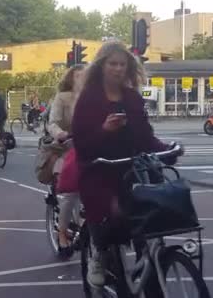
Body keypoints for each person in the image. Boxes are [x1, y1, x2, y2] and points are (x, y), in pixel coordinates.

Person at [72, 41, 179, 287]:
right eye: (112, 64)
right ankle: (98, 252)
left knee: (150, 214)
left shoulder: (132, 97)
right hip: (99, 168)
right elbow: (82, 142)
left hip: (131, 168)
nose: (118, 69)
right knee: (112, 211)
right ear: (101, 66)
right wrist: (104, 130)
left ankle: (148, 267)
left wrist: (167, 150)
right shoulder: (89, 99)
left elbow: (145, 136)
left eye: (122, 64)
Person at [47, 64, 85, 256]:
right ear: (71, 79)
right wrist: (60, 133)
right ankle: (62, 234)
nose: (82, 79)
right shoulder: (63, 98)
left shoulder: (93, 97)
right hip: (65, 147)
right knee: (71, 192)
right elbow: (52, 122)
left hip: (87, 147)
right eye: (78, 76)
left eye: (85, 75)